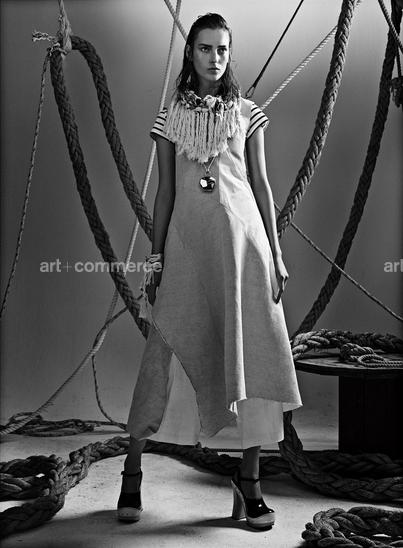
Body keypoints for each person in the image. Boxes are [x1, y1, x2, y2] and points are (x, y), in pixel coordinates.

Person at [117, 12, 302, 530]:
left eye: (223, 49)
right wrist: (155, 258)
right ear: (190, 53)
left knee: (254, 356)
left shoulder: (247, 113)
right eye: (205, 48)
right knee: (162, 354)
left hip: (245, 251)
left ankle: (250, 481)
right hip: (186, 248)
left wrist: (277, 253)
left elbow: (260, 185)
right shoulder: (170, 117)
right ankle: (132, 471)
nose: (215, 58)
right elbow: (165, 194)